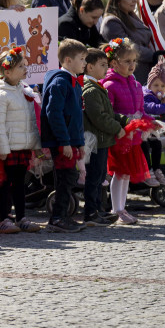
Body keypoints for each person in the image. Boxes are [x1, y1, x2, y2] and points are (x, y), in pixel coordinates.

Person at [0, 47, 42, 234]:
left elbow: (31, 121)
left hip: (22, 146)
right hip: (8, 148)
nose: (26, 69)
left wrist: (36, 145)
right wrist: (2, 149)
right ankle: (3, 219)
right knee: (5, 183)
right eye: (21, 66)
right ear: (7, 72)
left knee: (20, 184)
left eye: (25, 65)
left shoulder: (24, 91)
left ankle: (21, 217)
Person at [102, 38, 152, 224]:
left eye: (134, 61)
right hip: (119, 136)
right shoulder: (109, 85)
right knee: (120, 173)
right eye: (127, 61)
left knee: (127, 174)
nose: (132, 65)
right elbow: (109, 113)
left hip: (133, 137)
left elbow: (141, 110)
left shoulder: (137, 85)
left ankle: (122, 207)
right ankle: (117, 210)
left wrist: (150, 122)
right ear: (114, 63)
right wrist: (122, 127)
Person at [39, 38, 87, 233]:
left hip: (70, 140)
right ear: (68, 60)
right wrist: (64, 142)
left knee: (69, 177)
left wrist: (80, 142)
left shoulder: (74, 82)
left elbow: (76, 116)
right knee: (65, 178)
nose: (85, 63)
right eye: (81, 59)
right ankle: (58, 217)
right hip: (61, 141)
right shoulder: (60, 82)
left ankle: (63, 216)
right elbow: (54, 114)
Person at [80, 48, 125, 227]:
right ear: (90, 67)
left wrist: (124, 120)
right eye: (102, 65)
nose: (107, 68)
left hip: (101, 141)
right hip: (95, 141)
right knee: (94, 177)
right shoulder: (91, 90)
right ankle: (91, 212)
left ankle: (98, 210)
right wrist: (116, 128)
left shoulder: (97, 87)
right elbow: (98, 117)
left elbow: (108, 113)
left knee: (99, 177)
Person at [100, 0, 156, 84]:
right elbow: (128, 48)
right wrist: (154, 54)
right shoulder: (111, 22)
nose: (134, 0)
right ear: (118, 0)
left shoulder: (132, 17)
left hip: (143, 72)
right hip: (127, 77)